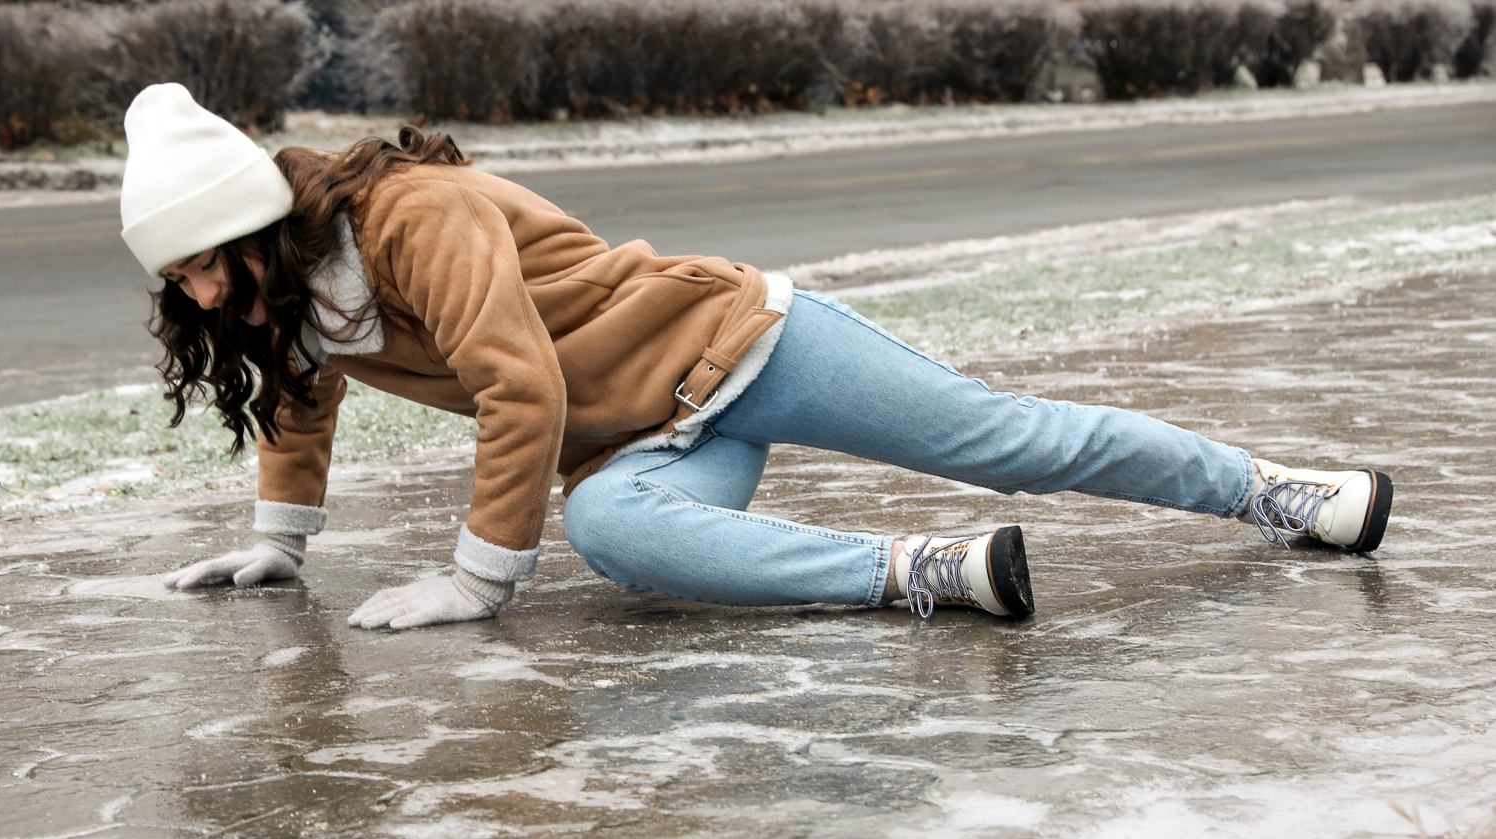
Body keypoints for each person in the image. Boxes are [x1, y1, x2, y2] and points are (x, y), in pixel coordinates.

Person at [118, 84, 1393, 630]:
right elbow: (299, 394)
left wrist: (475, 582)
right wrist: (281, 542)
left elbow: (517, 382)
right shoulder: (284, 296)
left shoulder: (411, 216)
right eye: (172, 275)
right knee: (619, 539)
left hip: (742, 342)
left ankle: (1275, 491)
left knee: (1007, 443)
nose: (192, 290)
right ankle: (923, 574)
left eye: (199, 261)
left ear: (256, 226)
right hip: (643, 439)